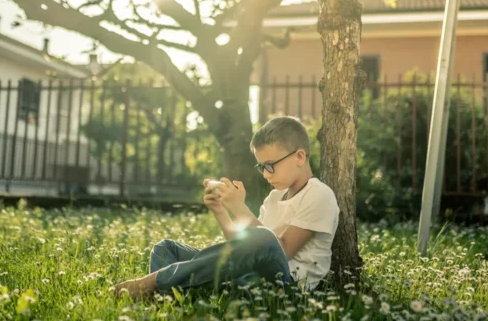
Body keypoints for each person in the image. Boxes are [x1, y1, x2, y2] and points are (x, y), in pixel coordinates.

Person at [113, 116, 340, 299]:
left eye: (270, 166)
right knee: (167, 249)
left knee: (263, 238)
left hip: (285, 288)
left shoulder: (319, 194)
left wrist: (239, 207)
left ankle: (152, 283)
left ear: (299, 156)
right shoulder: (274, 197)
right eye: (261, 167)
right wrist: (222, 212)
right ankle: (167, 296)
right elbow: (243, 251)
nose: (266, 174)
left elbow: (280, 249)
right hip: (248, 278)